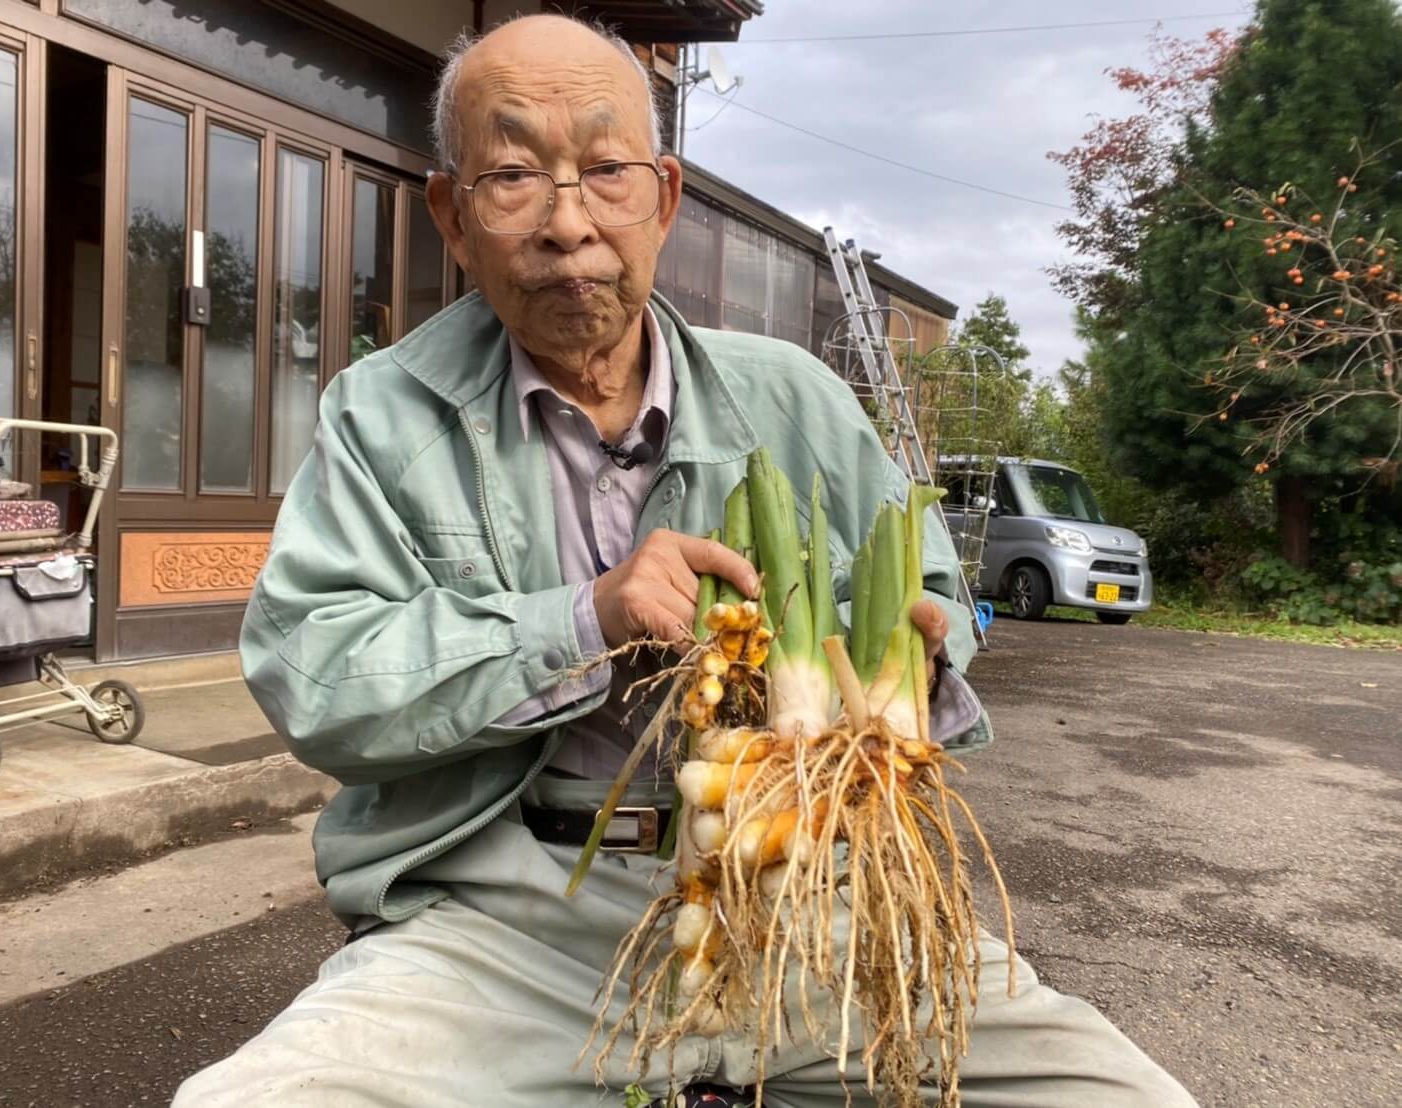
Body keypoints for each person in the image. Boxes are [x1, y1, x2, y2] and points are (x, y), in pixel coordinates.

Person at [175, 14, 1195, 1107]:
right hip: (509, 926)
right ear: (453, 217)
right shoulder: (380, 415)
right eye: (513, 173)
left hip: (810, 904)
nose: (569, 223)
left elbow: (931, 586)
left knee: (1116, 1094)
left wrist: (917, 660)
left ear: (662, 196)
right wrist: (583, 619)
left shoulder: (795, 398)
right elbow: (316, 676)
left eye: (605, 170)